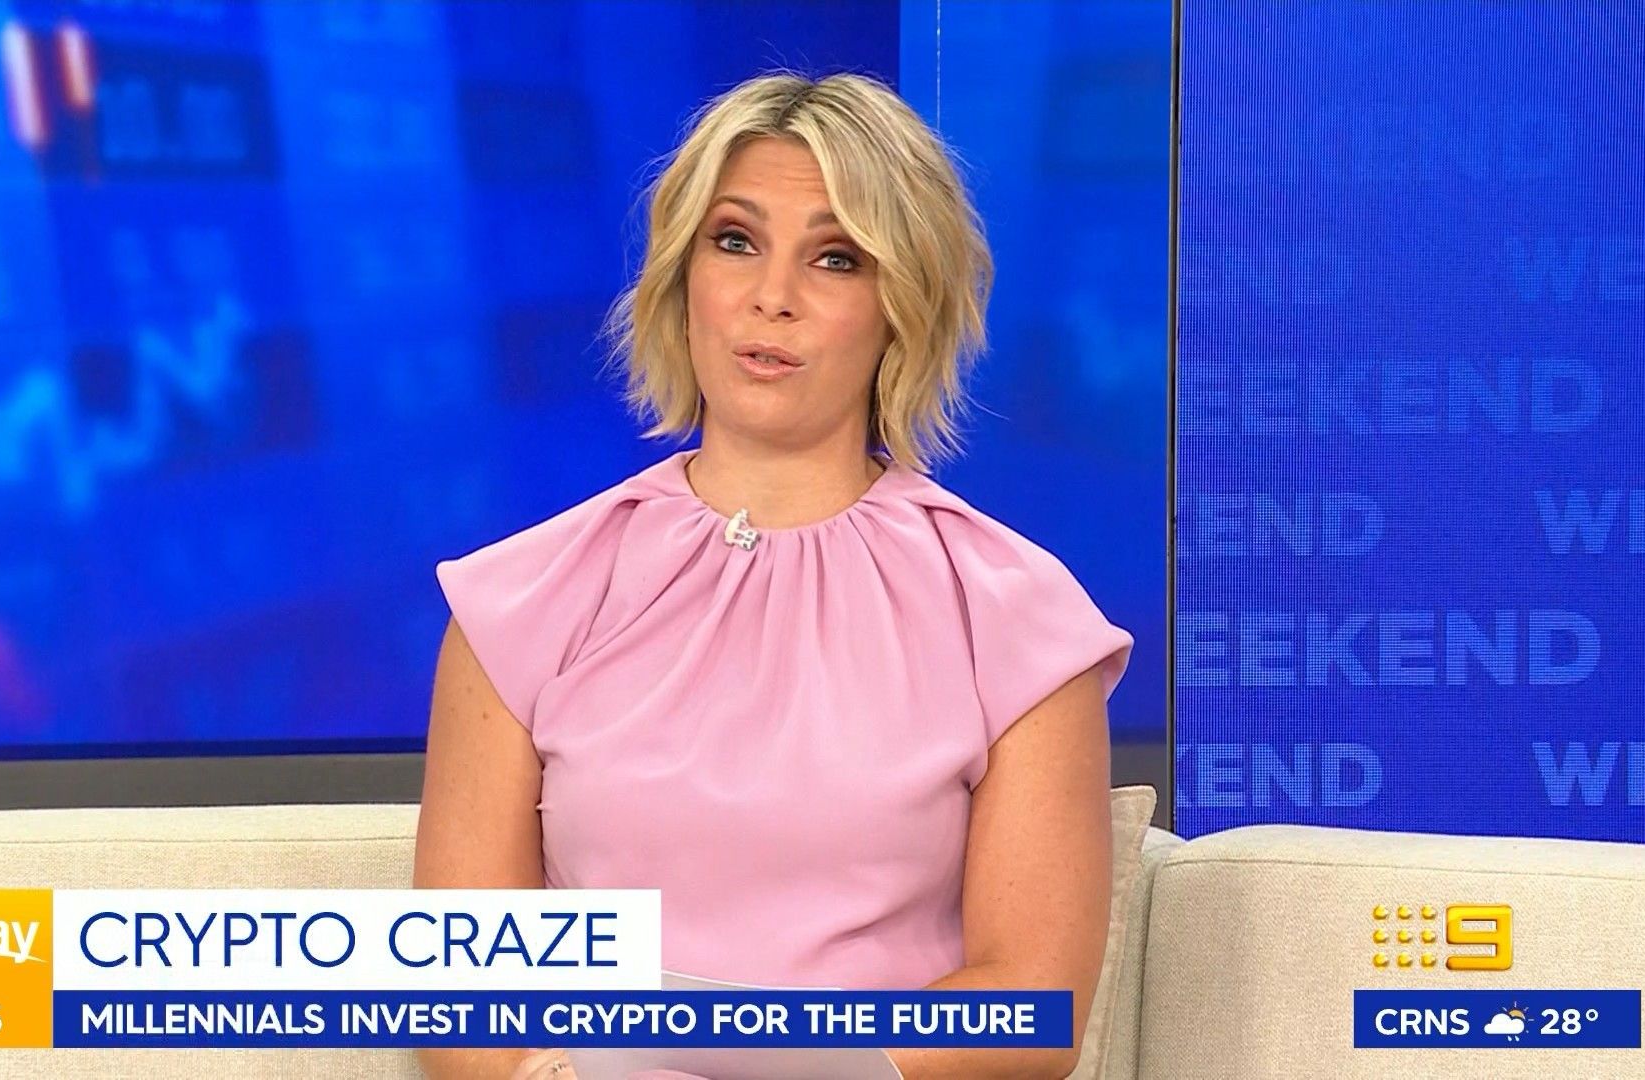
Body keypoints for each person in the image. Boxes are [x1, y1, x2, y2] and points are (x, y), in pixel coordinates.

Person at [414, 69, 1133, 1080]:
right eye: (735, 241)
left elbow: (1031, 1007)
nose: (772, 298)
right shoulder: (522, 602)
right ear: (682, 279)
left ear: (903, 306)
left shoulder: (1016, 617)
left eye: (835, 258)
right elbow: (463, 1001)